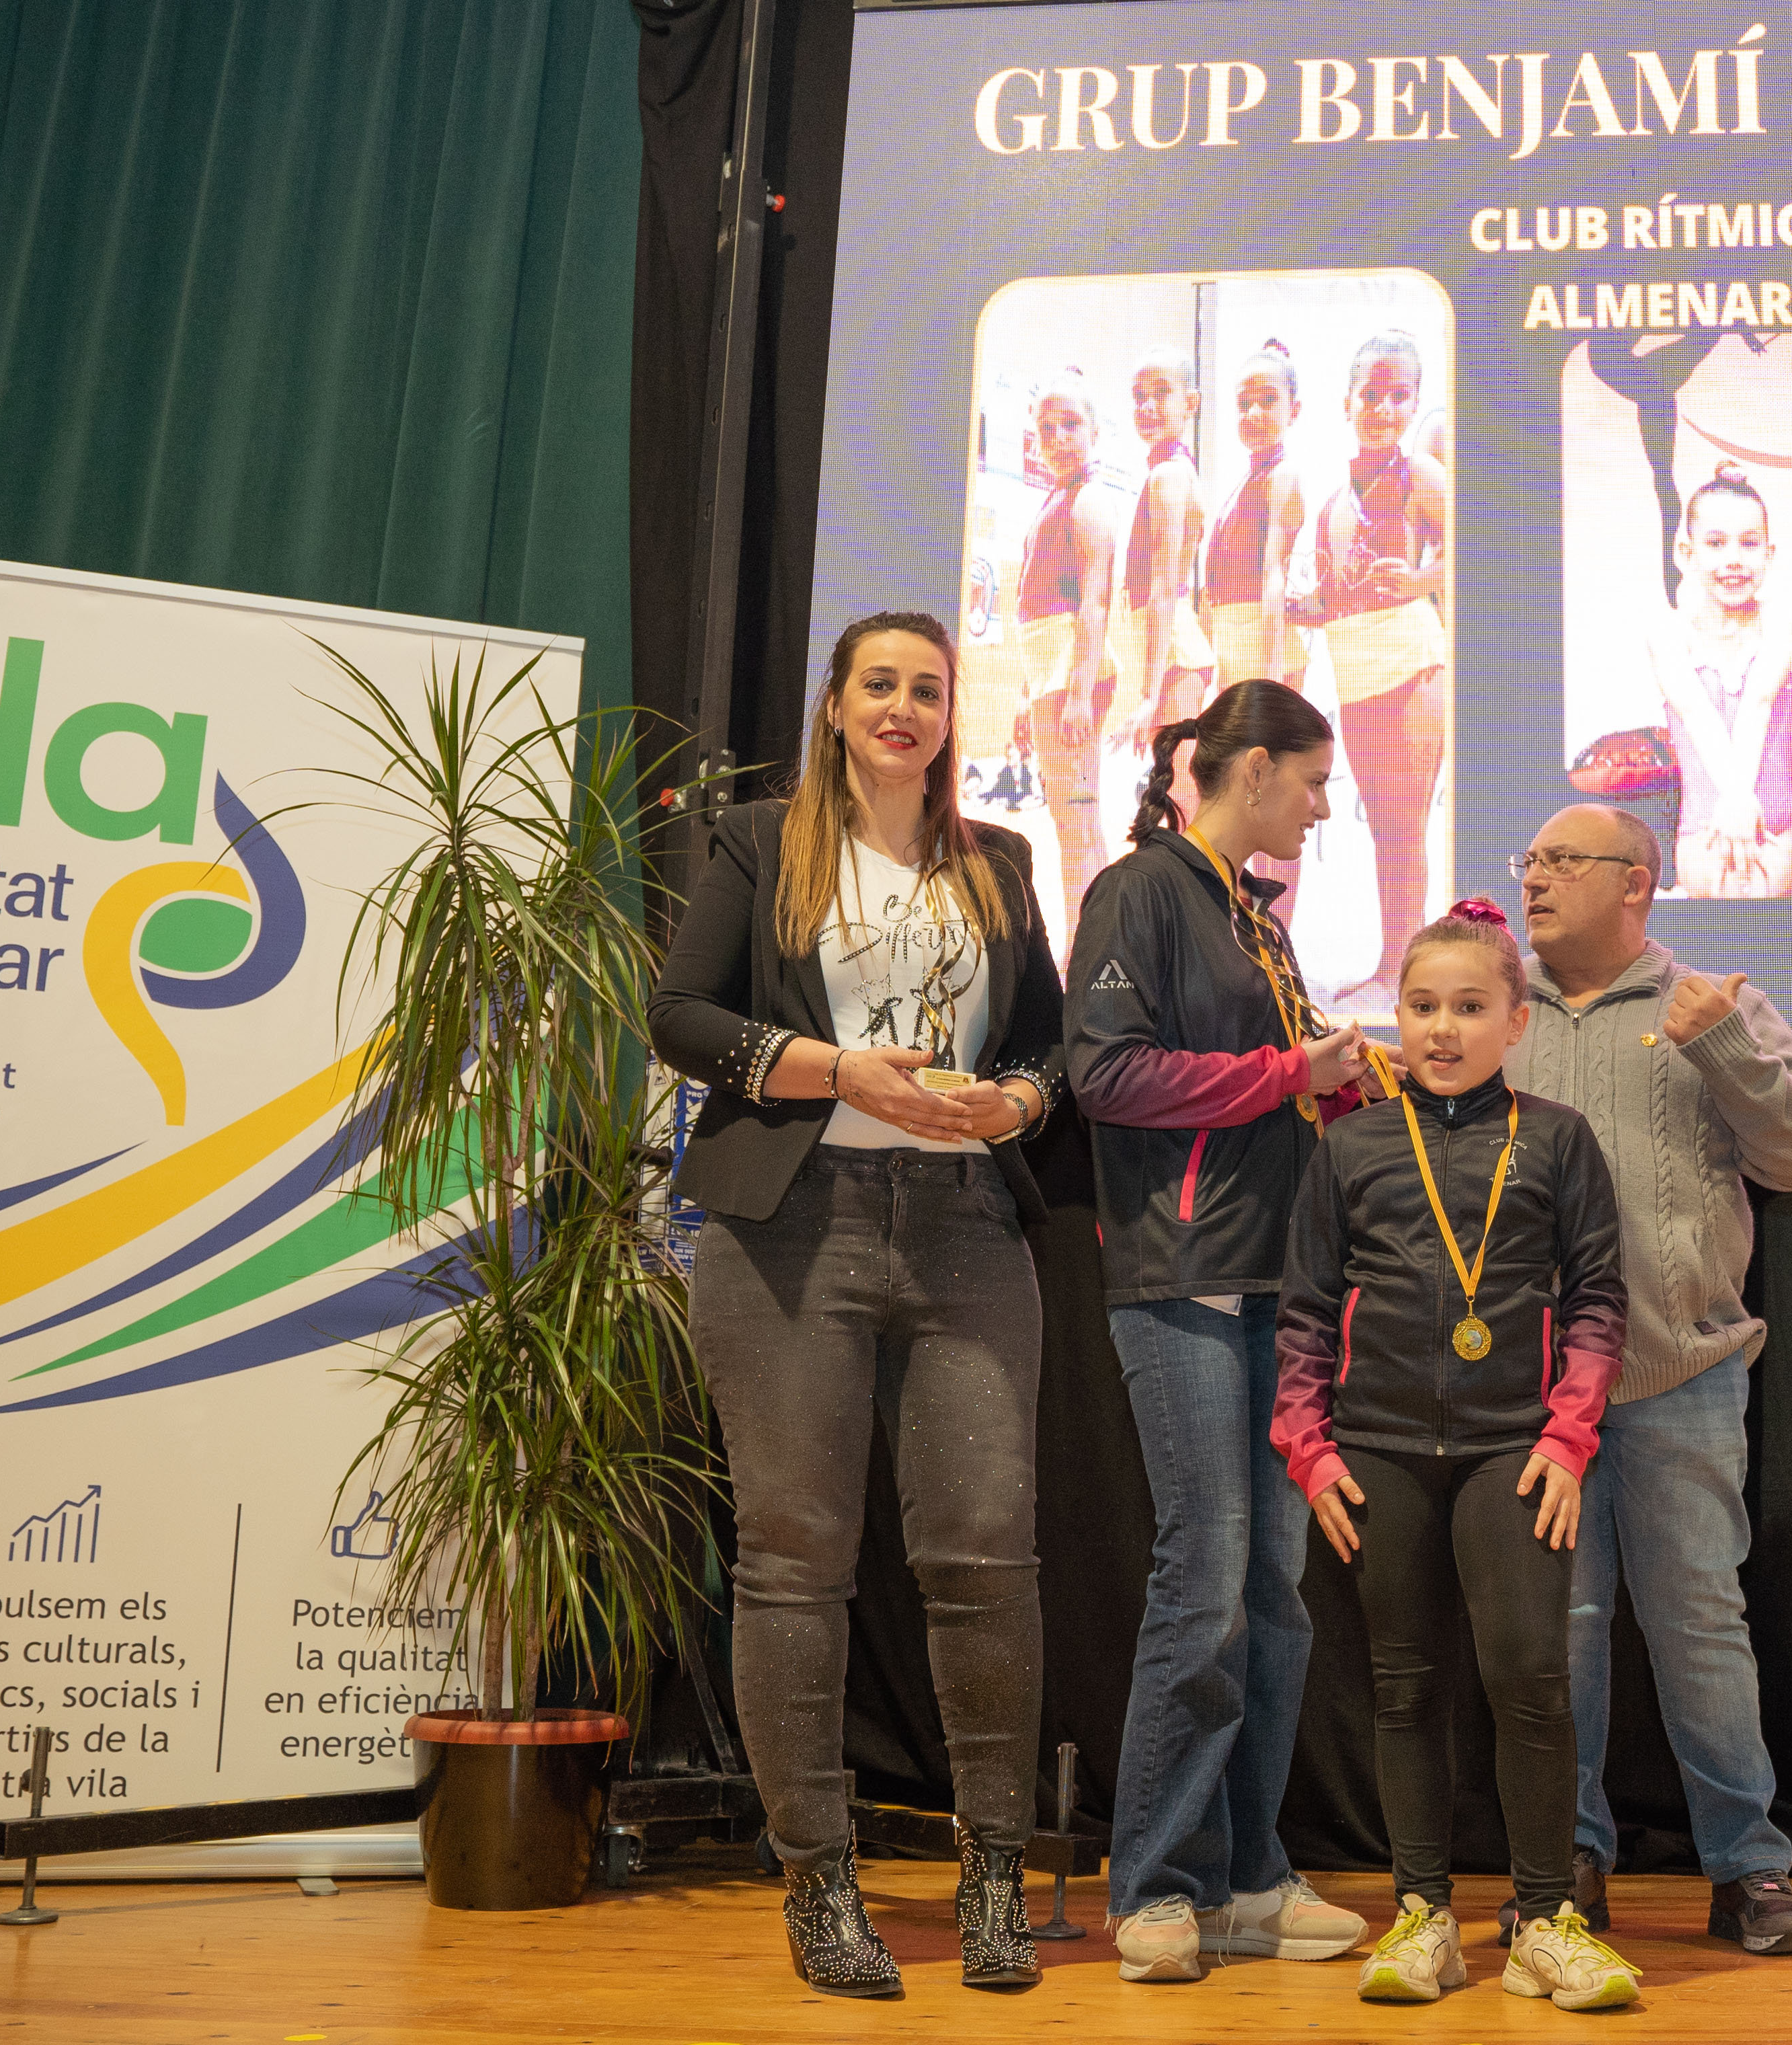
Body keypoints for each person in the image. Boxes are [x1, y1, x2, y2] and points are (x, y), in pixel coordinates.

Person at [648, 611, 1065, 1997]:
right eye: (878, 683)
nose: (903, 707)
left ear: (949, 714)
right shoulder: (761, 843)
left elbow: (1049, 1044)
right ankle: (819, 1883)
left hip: (964, 1230)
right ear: (832, 703)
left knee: (985, 1557)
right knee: (792, 1561)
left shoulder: (999, 861)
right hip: (793, 1224)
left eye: (927, 689)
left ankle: (993, 1872)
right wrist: (837, 1069)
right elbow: (680, 1014)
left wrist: (1016, 1100)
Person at [1274, 898, 1643, 2012]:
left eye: (1470, 1007)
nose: (1443, 1028)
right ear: (1396, 1013)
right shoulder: (1350, 1145)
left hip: (1514, 1451)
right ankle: (1422, 1915)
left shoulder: (1558, 1139)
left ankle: (1545, 1920)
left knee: (1529, 1673)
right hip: (1378, 1450)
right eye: (1423, 1005)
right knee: (1404, 1684)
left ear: (1515, 1021)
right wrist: (1309, 1451)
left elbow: (1598, 1302)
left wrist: (1568, 1438)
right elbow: (1304, 1315)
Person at [1063, 679, 1376, 1984]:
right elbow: (1104, 1072)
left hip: (1274, 1284)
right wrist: (1287, 1072)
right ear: (1251, 770)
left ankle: (1249, 1877)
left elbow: (1272, 1086)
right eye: (1312, 779)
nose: (1322, 804)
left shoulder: (1256, 915)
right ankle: (1155, 1883)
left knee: (1270, 1599)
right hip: (1181, 1276)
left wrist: (1338, 1084)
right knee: (1204, 1581)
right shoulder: (1139, 891)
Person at [1505, 802, 1792, 1956]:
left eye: (1563, 861)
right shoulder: (1498, 1011)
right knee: (1559, 1636)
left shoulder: (1711, 1007)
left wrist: (1723, 1050)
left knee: (1700, 1630)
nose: (1536, 879)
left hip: (1681, 1379)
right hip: (1533, 1397)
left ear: (1635, 884)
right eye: (1531, 861)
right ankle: (1564, 1868)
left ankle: (1748, 1871)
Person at [1307, 330, 1450, 1007]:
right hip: (1355, 666)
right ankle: (1391, 960)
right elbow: (1328, 591)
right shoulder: (1333, 501)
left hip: (1410, 658)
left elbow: (1470, 550)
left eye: (1398, 396)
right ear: (1347, 402)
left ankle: (1403, 970)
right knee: (1383, 826)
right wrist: (1304, 605)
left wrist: (1421, 579)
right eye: (1370, 394)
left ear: (1415, 402)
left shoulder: (1423, 474)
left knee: (1405, 823)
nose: (1383, 408)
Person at [1649, 462, 1792, 899]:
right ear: (1687, 553)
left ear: (1769, 553)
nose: (1734, 559)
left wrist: (1744, 805)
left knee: (1754, 893)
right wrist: (1736, 801)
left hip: (1780, 825)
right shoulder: (1669, 632)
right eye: (1716, 543)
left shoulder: (1782, 621)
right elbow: (1698, 715)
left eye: (1749, 544)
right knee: (1724, 894)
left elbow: (1759, 702)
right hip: (1704, 827)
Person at [1016, 366, 1128, 907]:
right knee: (1069, 821)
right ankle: (1090, 937)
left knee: (1078, 821)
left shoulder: (1089, 500)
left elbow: (1095, 602)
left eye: (1071, 425)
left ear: (1095, 432)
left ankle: (1086, 941)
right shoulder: (1056, 498)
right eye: (1047, 428)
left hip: (1071, 672)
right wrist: (1025, 695)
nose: (1058, 438)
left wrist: (1079, 694)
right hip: (1049, 672)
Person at [1109, 345, 1218, 760]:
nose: (1148, 406)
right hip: (1168, 649)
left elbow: (1164, 586)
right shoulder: (1168, 471)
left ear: (1191, 403)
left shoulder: (1170, 475)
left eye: (1161, 392)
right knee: (1169, 780)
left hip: (1173, 649)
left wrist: (1150, 696)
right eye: (1140, 396)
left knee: (1177, 785)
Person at [1203, 339, 1311, 689]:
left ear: (1294, 410)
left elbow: (1274, 574)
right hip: (1232, 637)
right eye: (1244, 403)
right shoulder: (1244, 483)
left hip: (1266, 639)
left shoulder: (1283, 474)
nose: (1254, 413)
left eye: (1268, 401)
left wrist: (1272, 677)